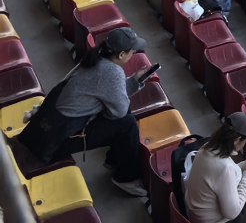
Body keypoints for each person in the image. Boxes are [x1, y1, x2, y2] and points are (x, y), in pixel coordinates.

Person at [16, 27, 156, 194]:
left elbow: (109, 93)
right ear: (121, 55)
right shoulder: (113, 72)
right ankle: (125, 178)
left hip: (44, 130)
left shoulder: (95, 58)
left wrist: (134, 81)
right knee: (127, 124)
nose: (133, 54)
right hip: (55, 141)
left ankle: (115, 160)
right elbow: (118, 111)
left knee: (123, 114)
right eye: (132, 51)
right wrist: (115, 104)